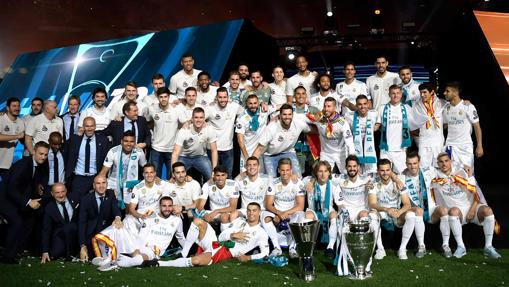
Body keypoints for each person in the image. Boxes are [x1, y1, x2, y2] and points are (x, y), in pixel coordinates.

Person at [155, 202, 269, 267]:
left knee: (196, 261)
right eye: (249, 210)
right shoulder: (240, 222)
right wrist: (232, 235)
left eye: (254, 210)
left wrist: (249, 257)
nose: (251, 213)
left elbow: (265, 253)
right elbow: (221, 236)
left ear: (259, 212)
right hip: (216, 242)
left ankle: (159, 264)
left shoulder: (261, 233)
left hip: (225, 252)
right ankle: (184, 253)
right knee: (197, 221)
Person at [431, 153, 501, 259]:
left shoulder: (461, 173)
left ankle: (488, 247)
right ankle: (461, 247)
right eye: (441, 162)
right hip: (457, 212)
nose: (444, 164)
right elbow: (422, 167)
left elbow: (476, 193)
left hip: (471, 207)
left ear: (451, 162)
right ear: (438, 164)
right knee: (453, 211)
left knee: (488, 210)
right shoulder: (436, 177)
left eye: (446, 161)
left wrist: (472, 210)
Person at [91, 196, 185, 270]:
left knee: (139, 259)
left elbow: (180, 237)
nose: (167, 208)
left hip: (154, 249)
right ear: (160, 207)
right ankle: (109, 258)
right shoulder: (151, 217)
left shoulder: (177, 220)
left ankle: (116, 262)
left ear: (173, 206)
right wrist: (137, 249)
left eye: (169, 206)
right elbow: (142, 235)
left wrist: (187, 251)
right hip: (140, 243)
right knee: (118, 228)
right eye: (164, 206)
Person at [0, 141, 49, 263]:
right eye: (40, 154)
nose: (43, 157)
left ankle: (17, 250)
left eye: (45, 155)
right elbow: (11, 188)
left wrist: (38, 187)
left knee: (31, 219)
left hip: (16, 199)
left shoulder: (38, 165)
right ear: (34, 151)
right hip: (5, 200)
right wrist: (28, 202)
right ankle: (8, 257)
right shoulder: (23, 164)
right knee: (17, 221)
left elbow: (28, 183)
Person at [262, 158, 313, 258]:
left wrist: (285, 213)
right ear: (278, 170)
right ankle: (277, 248)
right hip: (277, 212)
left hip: (292, 212)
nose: (285, 173)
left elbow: (300, 206)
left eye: (287, 170)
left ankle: (293, 248)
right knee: (264, 216)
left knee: (302, 216)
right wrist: (279, 213)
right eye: (282, 170)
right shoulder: (273, 182)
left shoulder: (298, 183)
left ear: (291, 170)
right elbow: (268, 204)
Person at [334, 155, 381, 257]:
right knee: (341, 218)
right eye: (349, 166)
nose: (352, 169)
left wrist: (372, 186)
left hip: (361, 210)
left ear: (358, 167)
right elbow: (323, 175)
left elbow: (384, 173)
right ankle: (344, 252)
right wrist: (312, 181)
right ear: (346, 167)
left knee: (368, 215)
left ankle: (372, 249)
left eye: (354, 166)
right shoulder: (340, 179)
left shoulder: (366, 178)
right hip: (347, 211)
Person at [368, 159, 415, 260]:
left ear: (391, 170)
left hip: (396, 213)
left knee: (411, 215)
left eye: (387, 170)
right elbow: (372, 204)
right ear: (378, 171)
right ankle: (380, 249)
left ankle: (402, 249)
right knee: (372, 215)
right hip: (382, 212)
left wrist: (400, 212)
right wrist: (386, 209)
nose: (385, 173)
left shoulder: (399, 183)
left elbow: (407, 204)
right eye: (382, 170)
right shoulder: (373, 183)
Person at [252, 104, 311, 178]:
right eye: (284, 114)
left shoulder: (298, 124)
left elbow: (312, 130)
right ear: (280, 115)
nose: (287, 117)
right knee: (270, 181)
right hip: (270, 155)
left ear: (293, 115)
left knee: (298, 177)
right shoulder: (272, 127)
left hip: (288, 152)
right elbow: (259, 149)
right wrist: (251, 164)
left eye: (289, 114)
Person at [399, 152, 438, 259]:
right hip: (411, 208)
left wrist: (464, 168)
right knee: (418, 211)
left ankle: (445, 245)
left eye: (415, 163)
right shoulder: (402, 177)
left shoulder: (428, 172)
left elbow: (447, 167)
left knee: (443, 211)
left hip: (430, 208)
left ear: (419, 163)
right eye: (410, 164)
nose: (413, 166)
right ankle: (421, 245)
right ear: (406, 164)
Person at [303, 161, 342, 258]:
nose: (323, 174)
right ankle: (309, 247)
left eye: (326, 171)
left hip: (327, 210)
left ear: (329, 173)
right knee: (307, 216)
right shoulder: (308, 181)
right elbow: (294, 179)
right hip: (313, 210)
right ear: (316, 172)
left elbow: (340, 204)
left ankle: (330, 247)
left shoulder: (333, 185)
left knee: (334, 215)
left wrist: (342, 212)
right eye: (320, 171)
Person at [78, 175, 121, 261]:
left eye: (103, 183)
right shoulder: (86, 199)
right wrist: (82, 245)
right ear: (94, 186)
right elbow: (82, 223)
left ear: (107, 184)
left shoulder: (111, 194)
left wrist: (118, 218)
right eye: (98, 183)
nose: (101, 186)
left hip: (107, 233)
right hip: (92, 233)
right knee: (92, 255)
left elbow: (115, 208)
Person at [100, 131, 147, 209]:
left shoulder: (139, 152)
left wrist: (155, 178)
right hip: (114, 182)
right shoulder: (113, 151)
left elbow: (146, 168)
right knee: (111, 208)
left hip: (131, 183)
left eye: (131, 141)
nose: (128, 144)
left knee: (129, 210)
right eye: (126, 141)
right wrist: (99, 186)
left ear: (134, 142)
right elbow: (103, 172)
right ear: (121, 141)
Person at [65, 117, 110, 198]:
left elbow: (107, 160)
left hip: (95, 178)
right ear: (83, 127)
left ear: (95, 126)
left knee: (93, 207)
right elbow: (65, 150)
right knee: (76, 206)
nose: (89, 129)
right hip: (78, 179)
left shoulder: (102, 140)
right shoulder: (75, 139)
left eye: (91, 126)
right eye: (87, 126)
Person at [443, 81, 483, 169]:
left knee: (467, 175)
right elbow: (446, 125)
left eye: (447, 91)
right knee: (452, 176)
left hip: (465, 146)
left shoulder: (468, 107)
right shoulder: (446, 108)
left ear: (455, 92)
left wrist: (479, 145)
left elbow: (477, 127)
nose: (444, 93)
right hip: (450, 146)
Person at [205, 87, 244, 178]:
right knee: (213, 176)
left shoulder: (234, 106)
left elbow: (245, 113)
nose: (223, 100)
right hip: (212, 148)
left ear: (228, 97)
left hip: (228, 149)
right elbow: (199, 118)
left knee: (228, 176)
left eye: (224, 97)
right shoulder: (210, 108)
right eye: (220, 97)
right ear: (216, 98)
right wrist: (204, 124)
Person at [171, 107, 218, 182]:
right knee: (175, 178)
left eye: (201, 117)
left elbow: (214, 150)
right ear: (192, 119)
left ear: (204, 119)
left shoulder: (209, 129)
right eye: (196, 117)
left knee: (212, 177)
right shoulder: (184, 130)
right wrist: (172, 172)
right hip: (184, 157)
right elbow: (175, 153)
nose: (198, 120)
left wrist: (214, 170)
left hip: (200, 157)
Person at [146, 87, 185, 179]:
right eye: (161, 97)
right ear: (158, 98)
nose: (163, 99)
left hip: (171, 149)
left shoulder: (176, 109)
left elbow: (185, 123)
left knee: (172, 178)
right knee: (155, 178)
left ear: (169, 97)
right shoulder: (152, 109)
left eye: (165, 97)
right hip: (156, 148)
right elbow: (148, 122)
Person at [123, 163, 171, 234]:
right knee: (127, 220)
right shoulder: (137, 188)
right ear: (143, 174)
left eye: (151, 172)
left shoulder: (162, 184)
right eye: (146, 173)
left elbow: (176, 183)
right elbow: (131, 209)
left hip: (157, 215)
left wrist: (187, 177)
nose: (149, 175)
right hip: (141, 215)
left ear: (155, 173)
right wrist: (140, 216)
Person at [311, 97, 355, 174]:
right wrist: (317, 117)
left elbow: (349, 142)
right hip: (326, 154)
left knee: (347, 175)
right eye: (325, 106)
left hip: (341, 153)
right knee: (322, 176)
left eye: (329, 106)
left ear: (335, 108)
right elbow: (307, 119)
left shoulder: (342, 122)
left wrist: (352, 157)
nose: (326, 109)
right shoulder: (319, 121)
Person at [375, 85, 413, 174]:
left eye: (398, 93)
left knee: (402, 175)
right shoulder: (382, 108)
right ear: (389, 94)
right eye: (393, 93)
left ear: (401, 94)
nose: (395, 96)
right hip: (385, 149)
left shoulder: (407, 108)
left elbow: (413, 126)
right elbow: (376, 125)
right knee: (384, 175)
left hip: (401, 149)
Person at [40, 183, 79, 263]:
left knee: (70, 227)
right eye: (57, 193)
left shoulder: (76, 198)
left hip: (76, 230)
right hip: (61, 233)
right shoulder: (49, 208)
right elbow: (46, 229)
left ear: (66, 191)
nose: (61, 195)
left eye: (63, 192)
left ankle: (71, 254)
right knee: (55, 254)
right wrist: (45, 251)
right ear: (52, 194)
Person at [195, 165, 240, 232]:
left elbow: (233, 207)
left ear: (226, 175)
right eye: (218, 175)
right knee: (196, 218)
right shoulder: (207, 185)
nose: (220, 178)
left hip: (227, 212)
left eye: (223, 175)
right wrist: (205, 214)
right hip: (211, 212)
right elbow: (200, 206)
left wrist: (217, 211)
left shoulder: (233, 184)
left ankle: (224, 240)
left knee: (224, 217)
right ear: (214, 176)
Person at [236, 94, 274, 172]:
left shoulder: (264, 110)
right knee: (245, 177)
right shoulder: (241, 118)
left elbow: (281, 106)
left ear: (258, 103)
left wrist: (279, 116)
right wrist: (247, 157)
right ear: (246, 104)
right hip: (247, 152)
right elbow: (240, 140)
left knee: (261, 177)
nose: (253, 106)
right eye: (250, 103)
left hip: (262, 151)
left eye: (255, 103)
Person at [412, 83, 445, 168]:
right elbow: (413, 123)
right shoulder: (416, 105)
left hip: (438, 140)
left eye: (424, 92)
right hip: (424, 140)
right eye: (420, 93)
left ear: (432, 92)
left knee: (438, 167)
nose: (422, 95)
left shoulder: (441, 103)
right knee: (423, 167)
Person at [347, 95, 378, 176]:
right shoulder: (349, 117)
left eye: (365, 103)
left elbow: (379, 123)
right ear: (356, 105)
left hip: (370, 151)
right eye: (360, 104)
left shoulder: (374, 114)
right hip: (356, 152)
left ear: (368, 104)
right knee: (358, 177)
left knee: (371, 177)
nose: (362, 106)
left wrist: (377, 125)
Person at [0, 97, 25, 177]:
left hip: (7, 163)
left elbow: (22, 139)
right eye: (14, 106)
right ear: (7, 108)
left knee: (6, 188)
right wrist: (17, 136)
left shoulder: (20, 122)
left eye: (18, 106)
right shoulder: (1, 119)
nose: (17, 108)